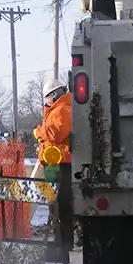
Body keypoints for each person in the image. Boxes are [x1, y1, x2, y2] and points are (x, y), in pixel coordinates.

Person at [33, 79, 80, 250]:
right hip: (56, 164)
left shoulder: (62, 110)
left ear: (54, 95)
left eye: (47, 97)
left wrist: (38, 131)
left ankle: (63, 242)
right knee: (57, 204)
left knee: (60, 204)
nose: (46, 101)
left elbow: (55, 133)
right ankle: (62, 240)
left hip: (60, 165)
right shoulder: (58, 110)